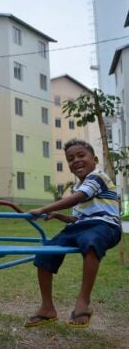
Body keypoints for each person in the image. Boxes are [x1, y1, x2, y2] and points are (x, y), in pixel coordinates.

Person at [25, 139, 121, 329]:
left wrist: (43, 208)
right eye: (70, 158)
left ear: (94, 160)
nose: (75, 160)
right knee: (46, 252)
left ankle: (83, 303)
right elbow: (78, 220)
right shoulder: (78, 187)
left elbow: (78, 198)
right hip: (82, 227)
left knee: (91, 241)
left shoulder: (97, 177)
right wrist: (61, 216)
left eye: (81, 155)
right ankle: (47, 307)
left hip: (106, 226)